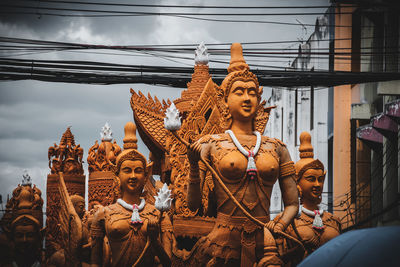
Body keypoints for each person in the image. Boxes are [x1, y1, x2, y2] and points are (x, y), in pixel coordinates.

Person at [186, 43, 299, 267]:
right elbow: (194, 207)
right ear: (224, 100)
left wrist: (280, 224)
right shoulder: (210, 144)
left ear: (258, 99)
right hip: (223, 242)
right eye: (239, 92)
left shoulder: (277, 147)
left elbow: (293, 204)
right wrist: (192, 166)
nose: (247, 98)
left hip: (266, 241)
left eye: (252, 92)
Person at [90, 122, 174, 267]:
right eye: (127, 170)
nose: (133, 176)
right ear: (117, 175)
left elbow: (168, 264)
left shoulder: (158, 214)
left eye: (138, 171)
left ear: (146, 175)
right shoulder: (104, 214)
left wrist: (155, 241)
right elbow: (95, 263)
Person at [276, 132, 341, 266]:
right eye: (311, 179)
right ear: (297, 183)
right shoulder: (286, 222)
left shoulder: (334, 221)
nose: (317, 184)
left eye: (320, 179)